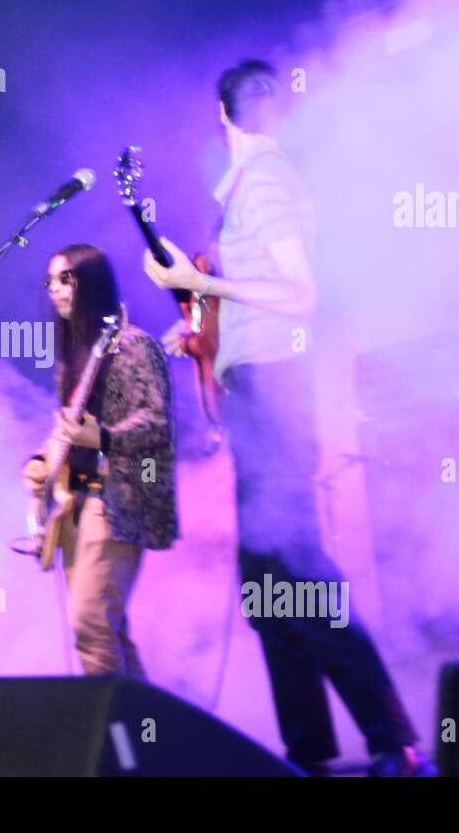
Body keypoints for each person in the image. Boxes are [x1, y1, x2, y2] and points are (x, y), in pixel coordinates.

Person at [143, 59, 433, 776]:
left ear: (221, 114)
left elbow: (299, 296)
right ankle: (307, 750)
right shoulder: (249, 185)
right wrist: (204, 324)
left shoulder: (266, 182)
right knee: (265, 590)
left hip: (275, 390)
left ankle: (391, 738)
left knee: (297, 570)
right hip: (260, 387)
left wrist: (198, 282)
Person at [22, 243, 177, 678]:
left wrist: (105, 438)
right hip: (76, 504)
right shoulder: (76, 354)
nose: (54, 289)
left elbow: (158, 423)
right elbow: (69, 428)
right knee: (108, 630)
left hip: (116, 501)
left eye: (65, 278)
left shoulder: (133, 345)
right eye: (50, 279)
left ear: (90, 283)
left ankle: (114, 735)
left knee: (91, 627)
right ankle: (142, 734)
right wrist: (40, 461)